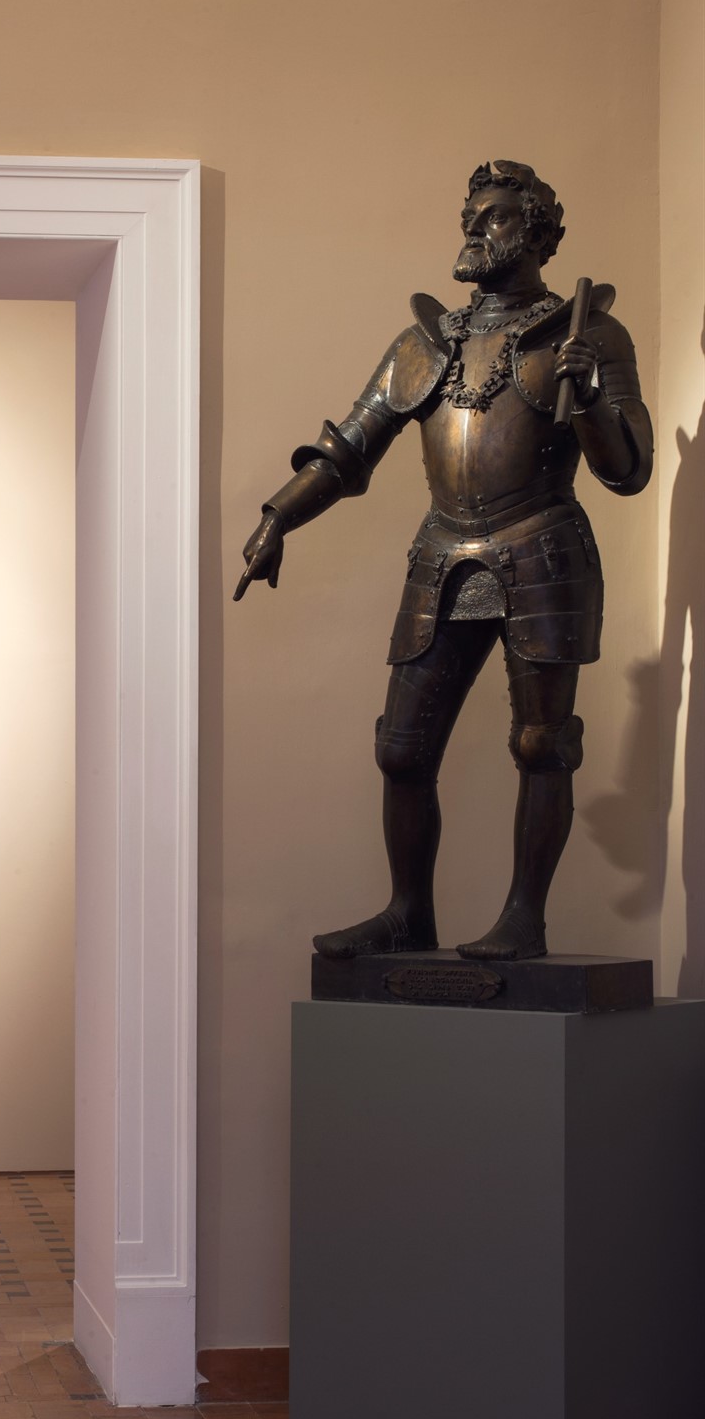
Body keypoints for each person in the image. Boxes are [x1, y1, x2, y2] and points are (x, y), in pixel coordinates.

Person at [236, 160, 653, 961]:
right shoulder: (425, 345)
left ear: (537, 231)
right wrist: (278, 516)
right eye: (470, 217)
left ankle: (525, 918)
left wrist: (593, 399)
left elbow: (627, 470)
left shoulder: (589, 334)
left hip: (541, 549)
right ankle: (408, 913)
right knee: (401, 750)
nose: (474, 231)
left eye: (494, 217)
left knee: (541, 743)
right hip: (443, 554)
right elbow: (349, 448)